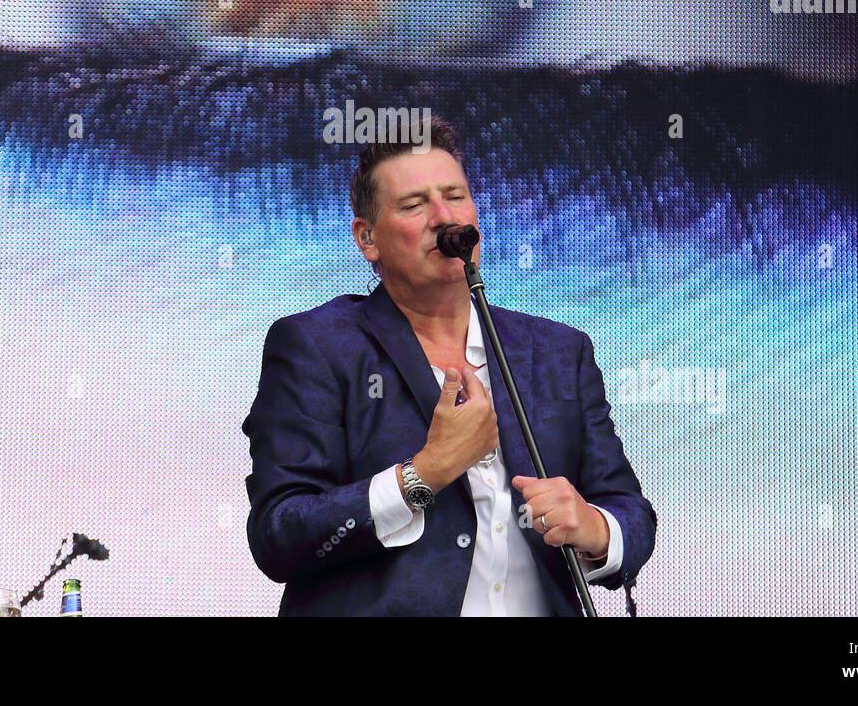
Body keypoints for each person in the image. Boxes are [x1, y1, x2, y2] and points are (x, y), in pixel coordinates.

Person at [242, 116, 656, 615]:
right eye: (415, 205)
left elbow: (633, 515)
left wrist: (594, 527)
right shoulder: (316, 346)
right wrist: (423, 473)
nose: (444, 217)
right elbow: (279, 534)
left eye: (455, 196)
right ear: (367, 238)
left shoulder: (558, 351)